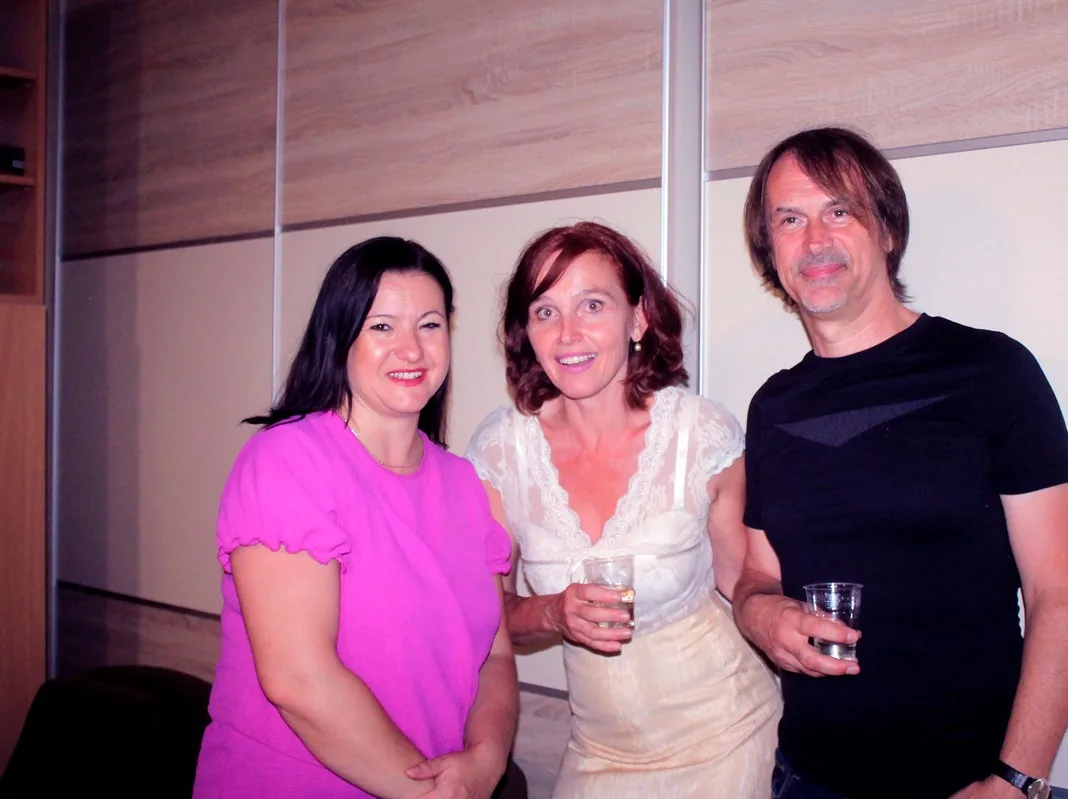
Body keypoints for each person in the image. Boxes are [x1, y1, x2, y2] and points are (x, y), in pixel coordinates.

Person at [731, 126, 1068, 799]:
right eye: (790, 219)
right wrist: (760, 616)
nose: (815, 240)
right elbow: (757, 572)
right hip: (808, 777)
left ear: (888, 231)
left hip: (968, 781)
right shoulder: (772, 405)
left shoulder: (992, 370)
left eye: (840, 210)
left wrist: (1016, 779)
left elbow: (1059, 591)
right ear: (771, 252)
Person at [193, 237, 518, 799]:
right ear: (340, 336)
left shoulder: (468, 487)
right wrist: (432, 794)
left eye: (430, 325)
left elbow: (497, 655)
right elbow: (298, 679)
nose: (411, 349)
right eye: (382, 327)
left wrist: (485, 760)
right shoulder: (287, 461)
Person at [466, 222, 781, 798]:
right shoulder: (501, 451)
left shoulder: (699, 434)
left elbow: (745, 582)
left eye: (592, 305)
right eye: (545, 311)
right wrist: (554, 613)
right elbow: (489, 618)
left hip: (728, 733)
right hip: (599, 753)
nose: (568, 333)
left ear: (637, 320)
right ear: (526, 332)